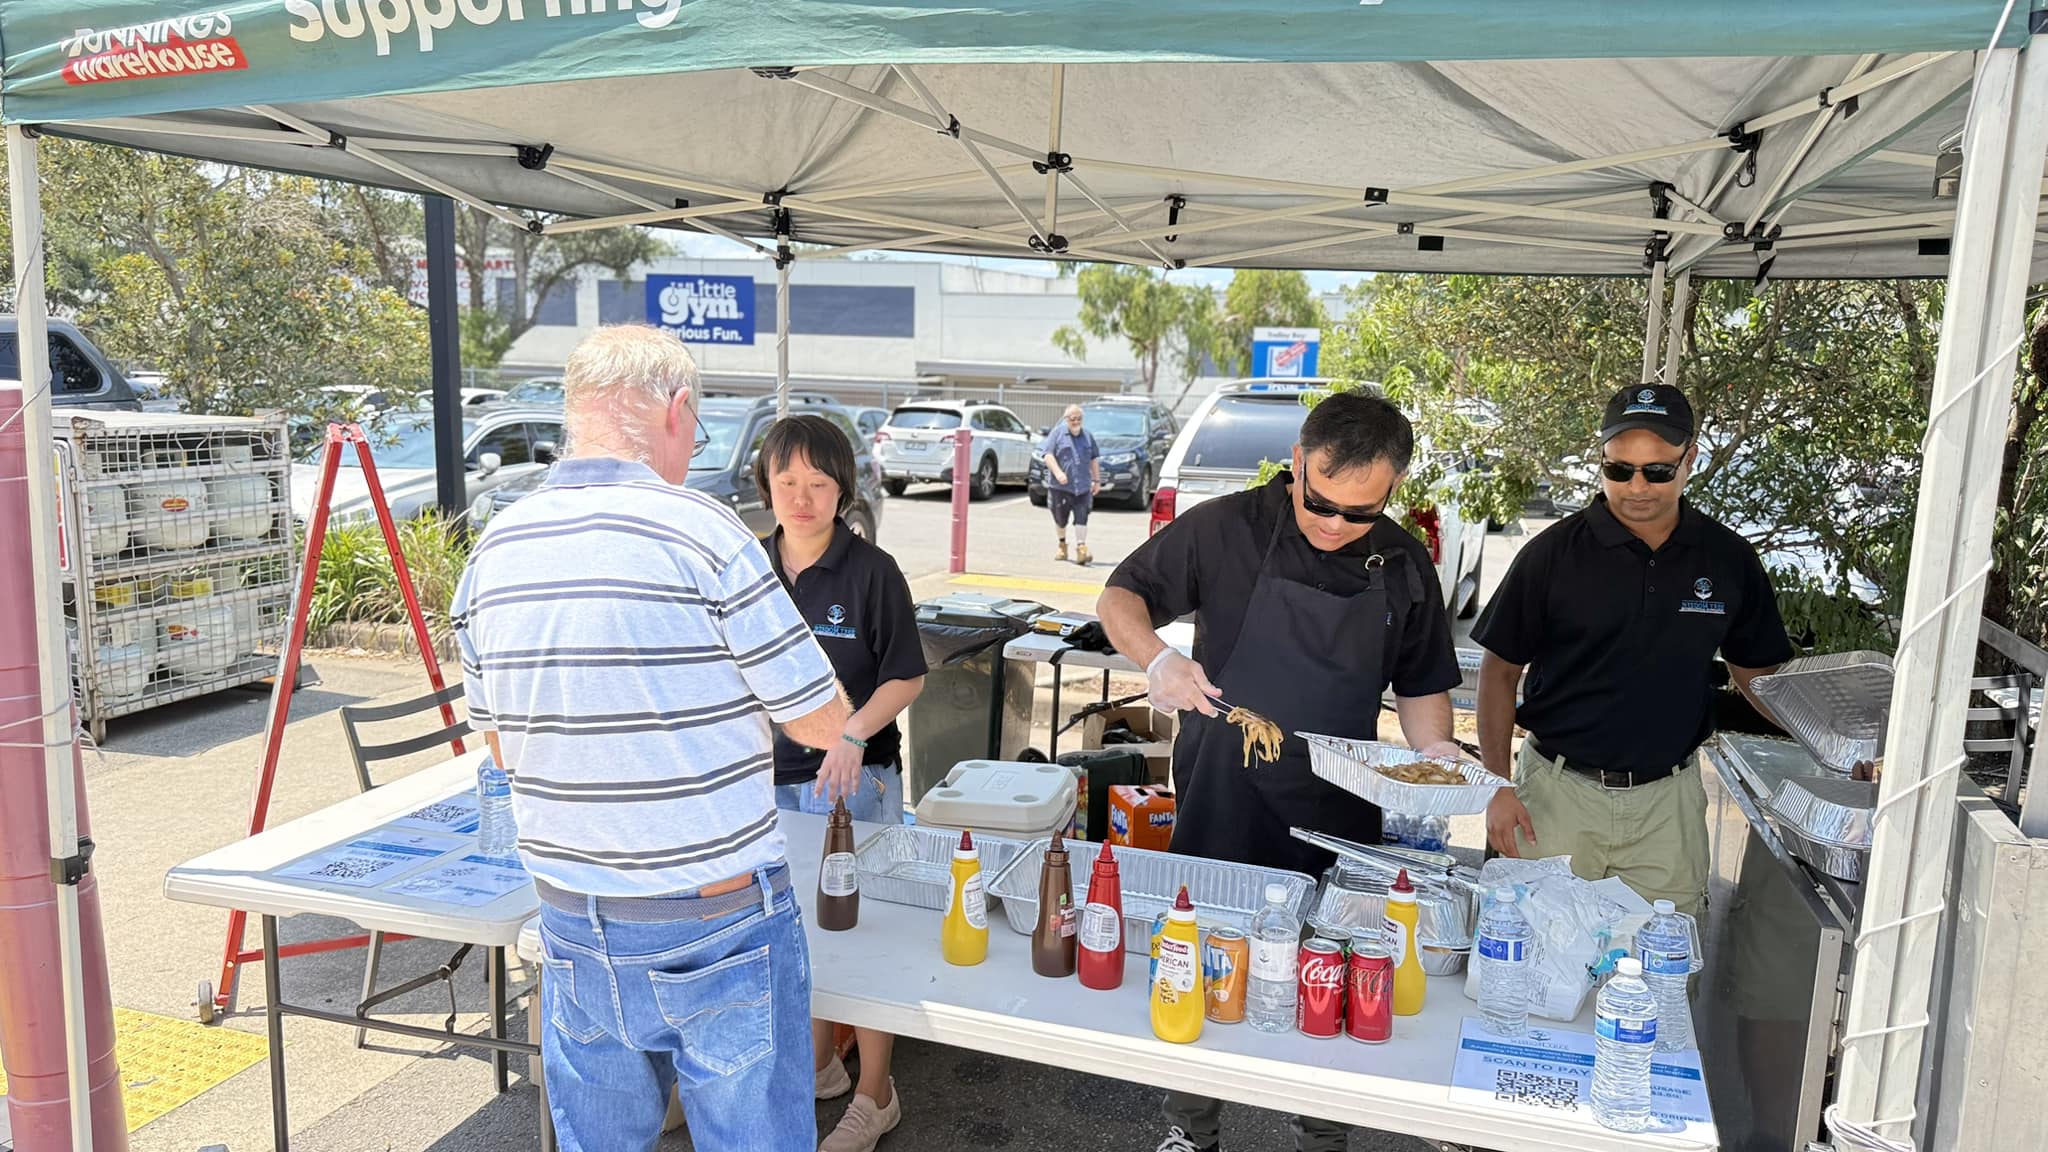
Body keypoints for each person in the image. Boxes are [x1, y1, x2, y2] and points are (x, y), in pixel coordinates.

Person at [452, 325, 850, 1152]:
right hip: (717, 917)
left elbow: (499, 749)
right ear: (676, 410)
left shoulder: (495, 547)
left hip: (568, 917)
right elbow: (820, 719)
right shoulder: (704, 534)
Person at [1096, 390, 1466, 1152]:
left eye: (1358, 514)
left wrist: (1435, 753)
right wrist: (1158, 657)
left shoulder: (1402, 562)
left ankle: (1323, 1133)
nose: (1334, 524)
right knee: (1201, 960)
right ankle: (1191, 1128)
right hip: (1221, 798)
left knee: (1332, 969)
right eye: (1320, 501)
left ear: (1391, 490)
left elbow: (1424, 686)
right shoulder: (1228, 527)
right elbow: (1121, 596)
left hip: (1340, 809)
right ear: (1297, 462)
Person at [1473, 383, 1791, 918]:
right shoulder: (1551, 554)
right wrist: (1497, 786)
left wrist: (1833, 745)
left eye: (1657, 471)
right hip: (1553, 797)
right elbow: (1498, 673)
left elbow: (1759, 677)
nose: (1636, 486)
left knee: (1660, 978)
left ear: (1689, 459)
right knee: (1530, 968)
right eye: (1620, 470)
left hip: (1668, 807)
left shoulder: (1728, 558)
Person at [754, 413, 926, 1152]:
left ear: (842, 491)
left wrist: (852, 733)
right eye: (787, 482)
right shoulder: (749, 568)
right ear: (766, 485)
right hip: (764, 788)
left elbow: (906, 674)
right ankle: (820, 1065)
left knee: (866, 941)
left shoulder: (871, 572)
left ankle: (876, 1092)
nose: (801, 497)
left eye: (817, 484)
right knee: (790, 938)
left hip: (855, 786)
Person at [1040, 404, 1101, 565]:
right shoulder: (1057, 434)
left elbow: (1094, 459)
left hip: (1082, 487)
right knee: (1060, 518)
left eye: (1079, 418)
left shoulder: (1087, 436)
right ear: (1066, 419)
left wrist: (1096, 480)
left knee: (1082, 516)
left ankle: (1081, 547)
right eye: (1072, 419)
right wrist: (1058, 472)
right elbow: (1048, 455)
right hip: (1060, 488)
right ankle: (1062, 545)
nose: (1076, 422)